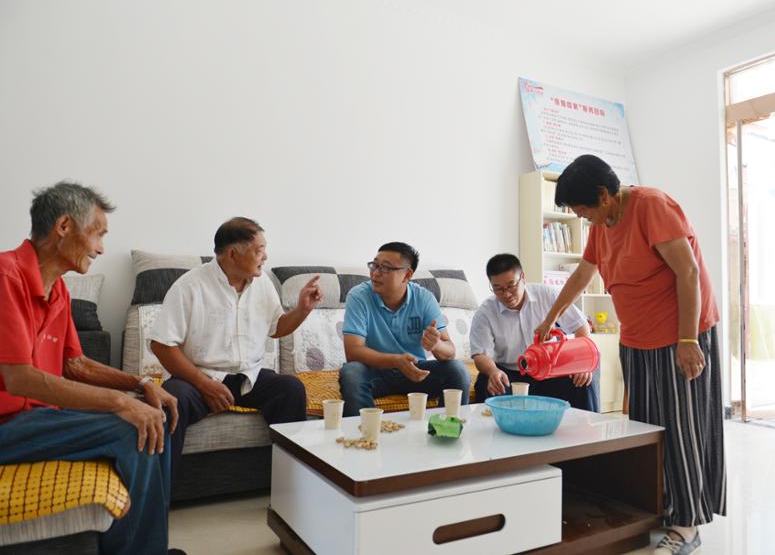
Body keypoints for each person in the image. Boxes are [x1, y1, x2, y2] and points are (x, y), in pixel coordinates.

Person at [535, 154, 725, 554]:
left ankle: (687, 527)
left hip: (679, 335)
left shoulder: (651, 206)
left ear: (604, 195)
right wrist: (550, 318)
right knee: (648, 430)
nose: (582, 217)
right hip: (637, 338)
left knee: (682, 430)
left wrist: (688, 340)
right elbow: (583, 274)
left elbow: (688, 272)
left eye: (583, 209)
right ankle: (665, 506)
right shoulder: (601, 224)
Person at [0, 181, 183, 555]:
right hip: (7, 424)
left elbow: (76, 364)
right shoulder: (6, 276)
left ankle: (148, 546)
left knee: (154, 415)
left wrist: (140, 384)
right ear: (64, 226)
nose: (101, 248)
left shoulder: (59, 290)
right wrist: (119, 401)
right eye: (98, 234)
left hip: (34, 420)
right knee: (132, 427)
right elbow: (19, 379)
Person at [150, 217, 321, 480]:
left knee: (290, 389)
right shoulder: (190, 286)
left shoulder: (262, 283)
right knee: (173, 400)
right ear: (232, 254)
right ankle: (158, 493)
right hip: (198, 379)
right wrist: (204, 384)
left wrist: (302, 310)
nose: (265, 256)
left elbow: (276, 327)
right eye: (259, 250)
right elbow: (161, 345)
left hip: (248, 378)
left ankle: (291, 485)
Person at [339, 242, 471, 417]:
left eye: (385, 268)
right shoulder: (359, 296)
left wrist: (436, 345)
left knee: (458, 370)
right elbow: (353, 352)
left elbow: (450, 351)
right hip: (375, 372)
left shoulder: (424, 298)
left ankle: (445, 428)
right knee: (351, 373)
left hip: (415, 372)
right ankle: (366, 431)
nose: (375, 273)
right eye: (374, 265)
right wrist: (396, 361)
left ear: (407, 275)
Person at [469, 253, 598, 411]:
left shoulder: (547, 294)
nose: (506, 294)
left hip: (550, 370)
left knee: (583, 381)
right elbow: (480, 354)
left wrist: (581, 364)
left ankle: (590, 426)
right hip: (510, 374)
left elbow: (580, 325)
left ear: (522, 277)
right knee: (487, 382)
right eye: (498, 289)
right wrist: (493, 371)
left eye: (511, 286)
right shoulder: (485, 312)